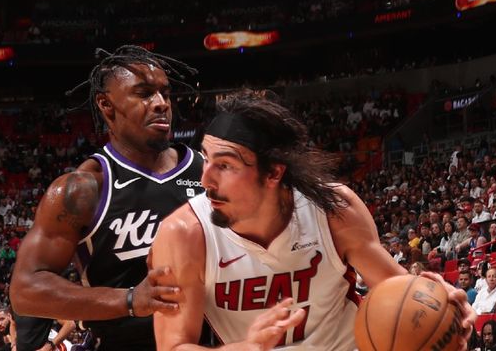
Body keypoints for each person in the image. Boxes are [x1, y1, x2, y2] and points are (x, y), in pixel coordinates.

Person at [149, 90, 474, 350]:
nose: (205, 179)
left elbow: (395, 290)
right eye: (206, 159)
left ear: (274, 172)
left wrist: (439, 304)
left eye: (226, 165)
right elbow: (173, 345)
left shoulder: (332, 209)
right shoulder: (183, 235)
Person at [10, 46, 205, 350]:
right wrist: (129, 299)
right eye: (143, 94)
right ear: (106, 105)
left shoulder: (208, 171)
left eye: (165, 94)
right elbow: (25, 291)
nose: (160, 104)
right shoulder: (83, 188)